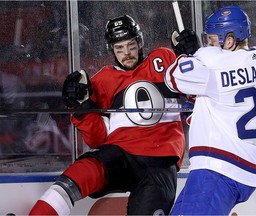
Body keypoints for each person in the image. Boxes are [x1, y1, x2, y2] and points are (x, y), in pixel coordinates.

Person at [29, 15, 190, 215]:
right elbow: (97, 138)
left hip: (161, 162)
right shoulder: (102, 80)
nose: (126, 53)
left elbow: (195, 91)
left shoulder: (164, 59)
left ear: (139, 42)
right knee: (72, 179)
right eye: (119, 48)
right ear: (111, 50)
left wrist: (192, 57)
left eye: (131, 45)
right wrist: (81, 109)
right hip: (120, 156)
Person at [166, 5, 256, 215]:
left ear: (228, 41)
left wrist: (186, 55)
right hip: (251, 172)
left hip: (218, 170)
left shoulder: (213, 62)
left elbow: (172, 78)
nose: (209, 45)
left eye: (211, 40)